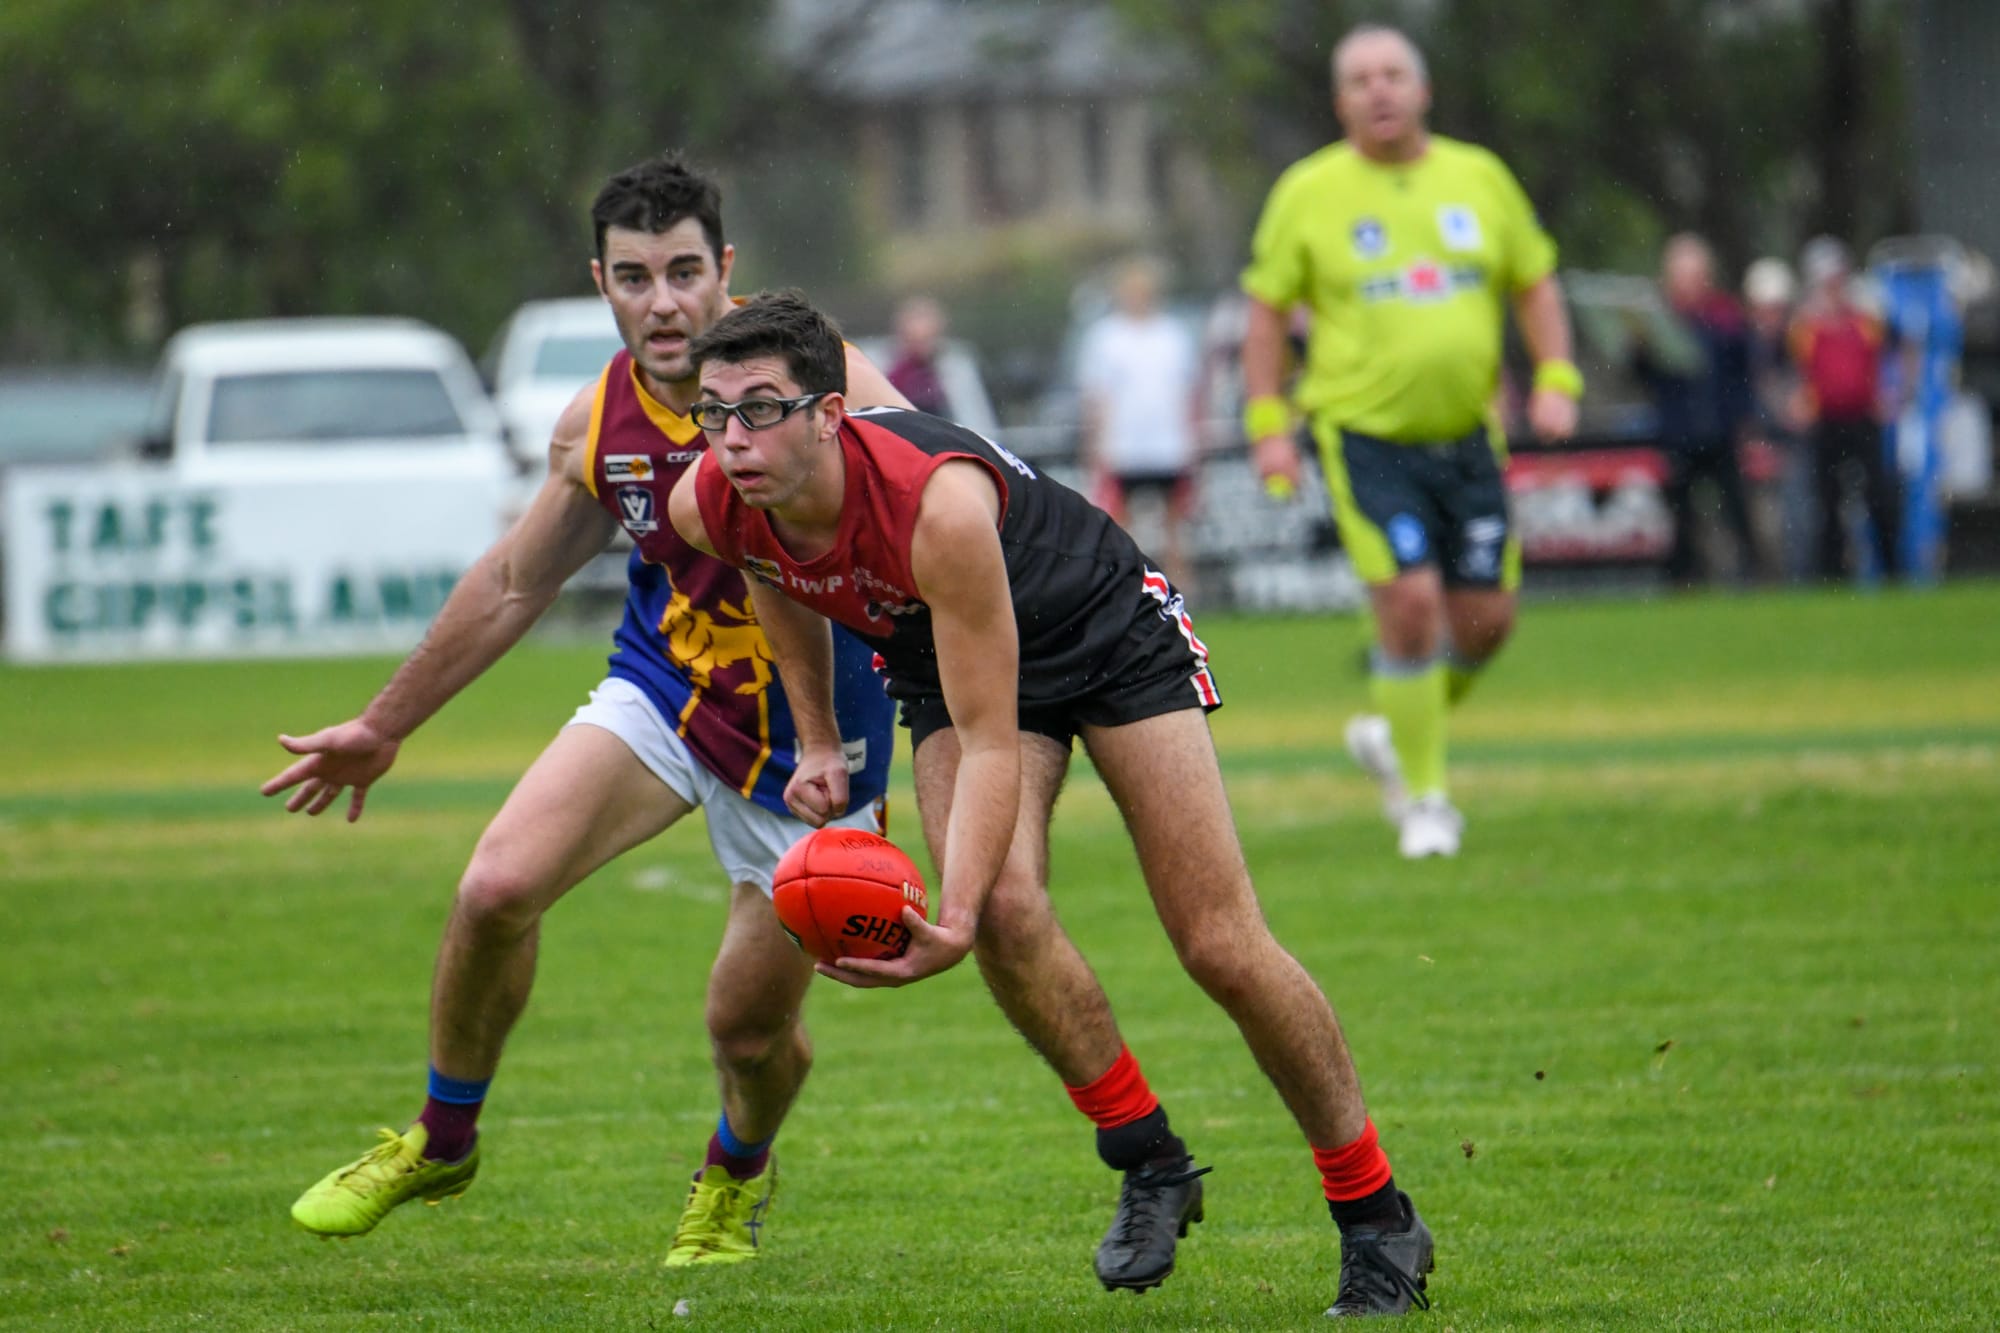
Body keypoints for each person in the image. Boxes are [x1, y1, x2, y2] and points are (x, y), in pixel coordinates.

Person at [666, 290, 1435, 1319]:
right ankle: (1148, 1157)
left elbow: (990, 742)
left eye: (760, 408)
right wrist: (813, 737)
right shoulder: (711, 498)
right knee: (1009, 913)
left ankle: (1375, 1212)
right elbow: (769, 570)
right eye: (711, 414)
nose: (731, 438)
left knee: (1216, 940)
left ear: (829, 413)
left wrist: (955, 915)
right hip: (949, 659)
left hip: (1101, 625)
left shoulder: (935, 505)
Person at [264, 154, 910, 1265]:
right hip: (668, 691)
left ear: (727, 272)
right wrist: (384, 724)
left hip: (815, 748)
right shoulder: (598, 421)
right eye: (633, 276)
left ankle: (731, 1178)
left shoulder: (822, 378)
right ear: (599, 281)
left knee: (747, 1032)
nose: (662, 303)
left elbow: (933, 515)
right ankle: (441, 1136)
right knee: (495, 885)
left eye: (683, 272)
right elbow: (516, 581)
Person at [1240, 24, 1579, 859]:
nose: (1379, 90)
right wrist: (1268, 424)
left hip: (1468, 438)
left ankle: (1398, 730)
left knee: (1489, 620)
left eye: (1393, 74)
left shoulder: (1480, 178)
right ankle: (1425, 800)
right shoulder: (1308, 191)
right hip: (1364, 439)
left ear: (1422, 90)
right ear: (1340, 101)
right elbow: (1266, 314)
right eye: (1360, 79)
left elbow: (1534, 283)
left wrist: (1557, 376)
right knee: (1411, 603)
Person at [1631, 233, 1761, 586]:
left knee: (1736, 509)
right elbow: (1642, 377)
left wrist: (1747, 424)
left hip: (1720, 429)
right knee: (1679, 513)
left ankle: (1752, 576)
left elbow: (1743, 375)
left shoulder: (1725, 318)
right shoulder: (1658, 320)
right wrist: (1640, 345)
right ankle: (1684, 580)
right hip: (1677, 432)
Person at [1077, 255, 1203, 594]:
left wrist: (1196, 442)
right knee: (1120, 526)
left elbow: (1188, 394)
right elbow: (1097, 399)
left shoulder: (1173, 335)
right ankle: (1126, 591)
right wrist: (1095, 450)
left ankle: (1182, 595)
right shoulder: (1105, 338)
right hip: (1123, 448)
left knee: (1175, 528)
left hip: (1170, 446)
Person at [1790, 235, 1898, 581]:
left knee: (1879, 495)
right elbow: (1792, 370)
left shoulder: (1866, 318)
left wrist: (1889, 394)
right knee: (1826, 500)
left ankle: (1892, 571)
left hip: (1863, 418)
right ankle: (1832, 575)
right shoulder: (1805, 325)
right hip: (1825, 422)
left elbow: (1888, 356)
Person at [1743, 256, 1814, 581]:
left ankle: (1798, 581)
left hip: (1793, 446)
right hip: (1758, 446)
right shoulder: (1746, 348)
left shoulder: (1798, 345)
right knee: (1758, 529)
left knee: (1798, 519)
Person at [882, 294, 952, 417]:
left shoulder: (951, 368)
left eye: (926, 340)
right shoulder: (890, 369)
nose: (920, 347)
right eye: (913, 340)